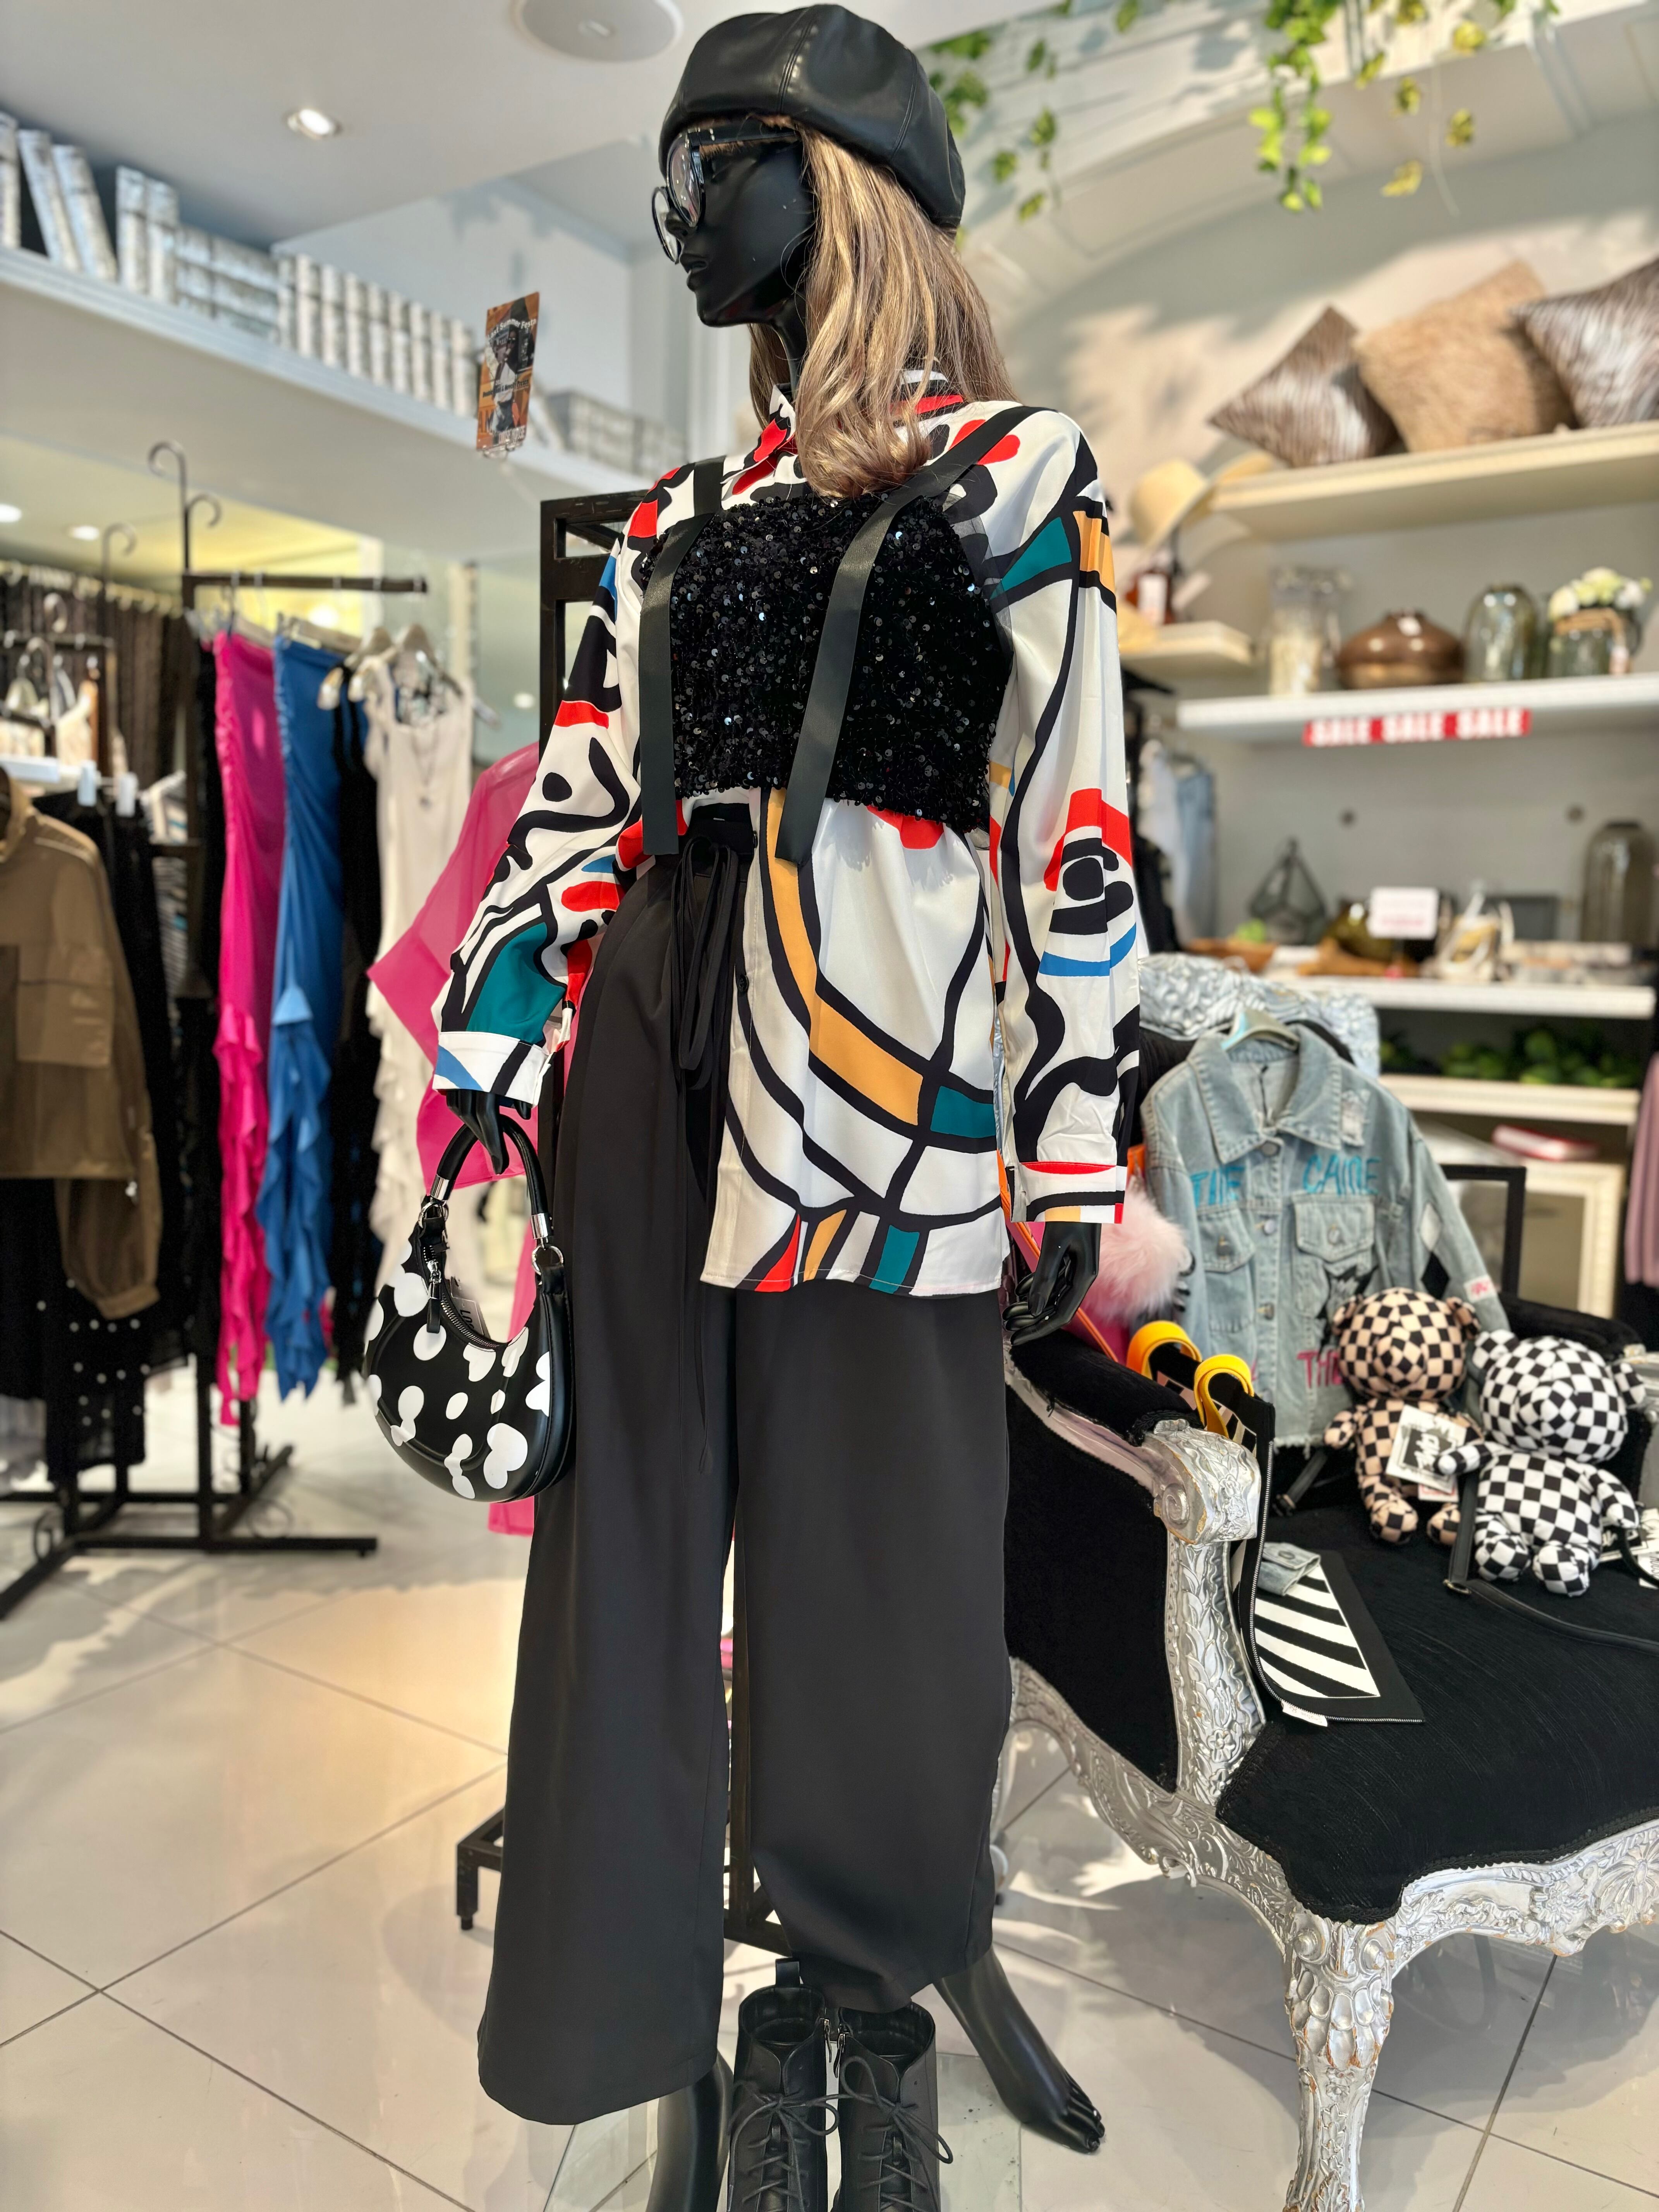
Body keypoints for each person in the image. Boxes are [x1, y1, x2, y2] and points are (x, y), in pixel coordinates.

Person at [436, 10, 1137, 2204]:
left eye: (712, 158)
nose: (679, 209)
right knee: (634, 1548)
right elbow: (581, 810)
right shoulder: (668, 519)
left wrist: (1075, 1140)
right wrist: (488, 1073)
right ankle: (655, 2018)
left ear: (834, 181)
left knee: (884, 1563)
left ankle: (861, 2013)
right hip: (657, 1048)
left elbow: (1074, 821)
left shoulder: (1015, 474)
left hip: (885, 1074)